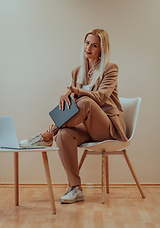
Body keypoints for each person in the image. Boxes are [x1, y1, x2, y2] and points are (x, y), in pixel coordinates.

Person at [20, 29, 128, 204]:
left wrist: (73, 90)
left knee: (85, 102)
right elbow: (71, 106)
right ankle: (75, 188)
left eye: (94, 45)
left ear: (102, 49)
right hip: (85, 126)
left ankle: (47, 135)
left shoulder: (110, 68)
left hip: (106, 127)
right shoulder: (77, 71)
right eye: (87, 43)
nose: (89, 48)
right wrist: (62, 116)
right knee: (64, 135)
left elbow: (100, 98)